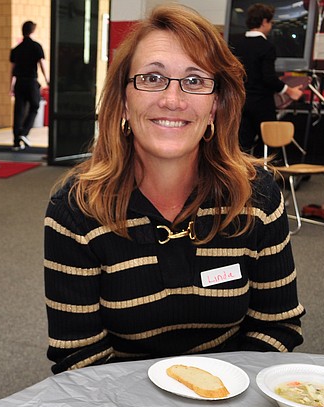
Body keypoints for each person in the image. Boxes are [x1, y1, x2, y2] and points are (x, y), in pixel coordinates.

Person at [44, 4, 304, 374]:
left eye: (195, 80)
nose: (173, 100)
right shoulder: (76, 209)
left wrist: (220, 397)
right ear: (123, 101)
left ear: (215, 105)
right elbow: (80, 359)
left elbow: (276, 325)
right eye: (152, 78)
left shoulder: (257, 196)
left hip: (230, 404)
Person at [229, 3, 303, 153]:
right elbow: (268, 78)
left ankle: (243, 175)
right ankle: (262, 174)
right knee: (268, 143)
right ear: (264, 22)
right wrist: (290, 91)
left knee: (242, 144)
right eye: (270, 22)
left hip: (241, 102)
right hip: (262, 103)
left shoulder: (237, 44)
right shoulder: (266, 47)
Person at [10, 20, 48, 151]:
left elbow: (13, 70)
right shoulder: (36, 46)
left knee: (18, 111)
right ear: (32, 31)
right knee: (35, 106)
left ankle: (16, 141)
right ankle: (24, 132)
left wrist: (11, 86)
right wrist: (47, 79)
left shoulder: (16, 49)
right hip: (31, 81)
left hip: (19, 82)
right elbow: (42, 64)